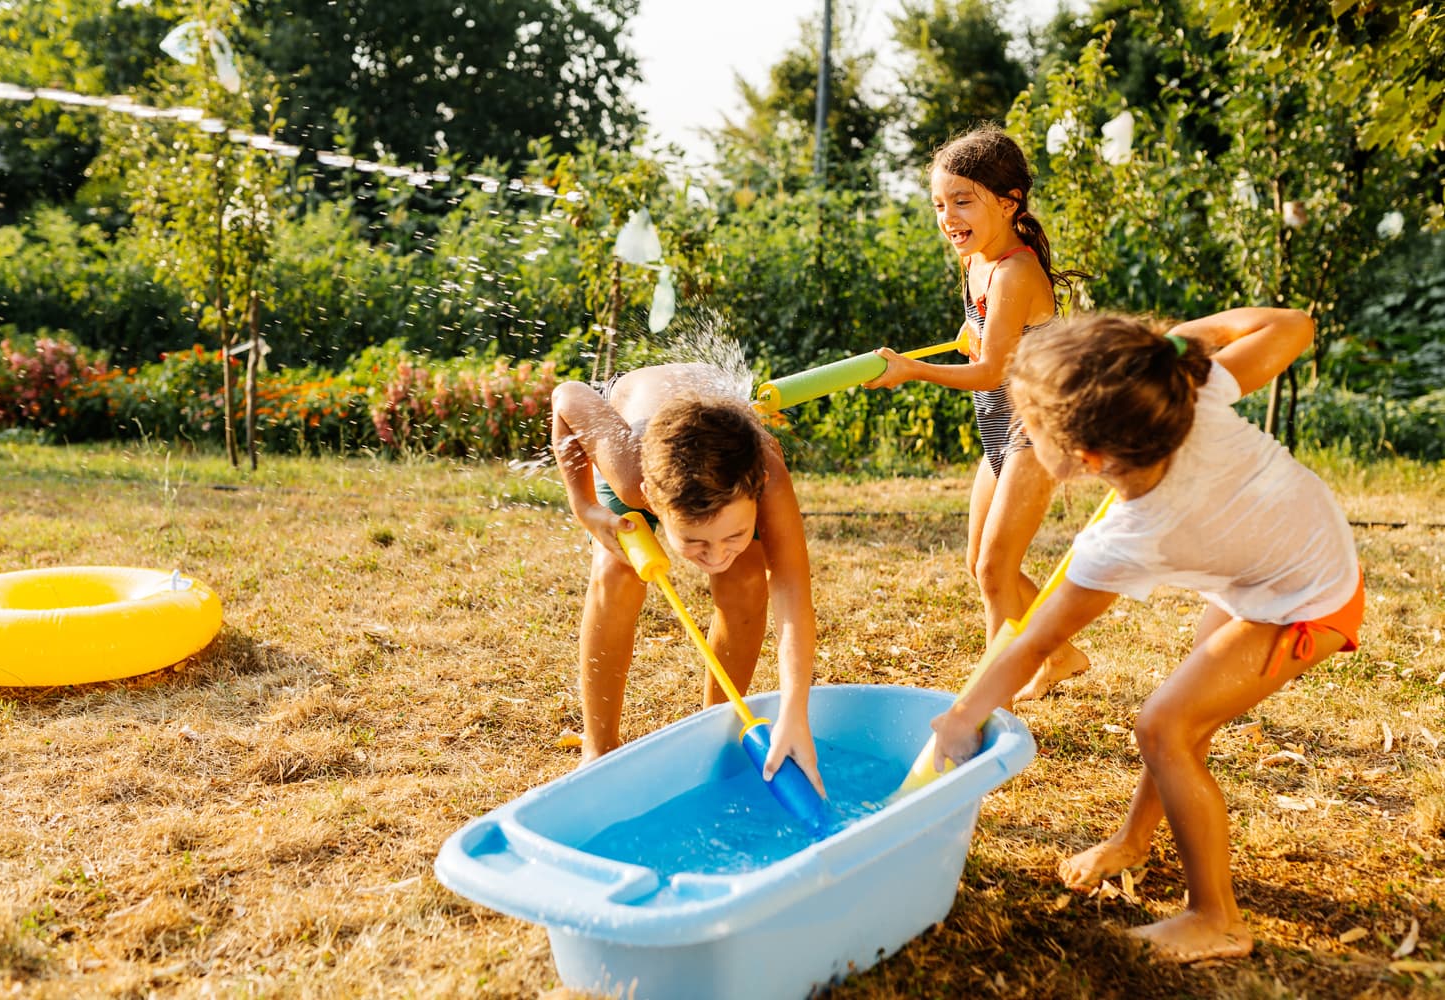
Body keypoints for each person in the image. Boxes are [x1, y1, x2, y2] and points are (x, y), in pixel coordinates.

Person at [926, 307, 1364, 962]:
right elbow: (1294, 325)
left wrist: (961, 718)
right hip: (1271, 564)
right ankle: (1133, 841)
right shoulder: (1190, 391)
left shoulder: (1126, 539)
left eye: (1029, 426)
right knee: (1186, 718)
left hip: (1306, 600)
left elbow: (1035, 642)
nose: (1021, 432)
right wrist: (1170, 348)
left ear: (1089, 458)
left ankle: (1216, 918)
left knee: (1165, 728)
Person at [864, 125, 1089, 703]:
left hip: (1036, 430)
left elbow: (992, 371)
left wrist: (912, 370)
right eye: (940, 203)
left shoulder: (1014, 270)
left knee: (995, 568)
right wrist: (974, 329)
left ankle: (992, 703)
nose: (948, 216)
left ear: (1009, 201)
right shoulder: (978, 264)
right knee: (981, 565)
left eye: (963, 201)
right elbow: (990, 337)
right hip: (998, 428)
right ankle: (1058, 651)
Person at [550, 363, 825, 796]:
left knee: (746, 580)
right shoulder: (630, 474)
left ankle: (713, 732)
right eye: (694, 541)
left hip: (717, 432)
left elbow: (792, 599)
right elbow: (567, 396)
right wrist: (584, 507)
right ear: (654, 502)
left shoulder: (767, 476)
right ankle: (599, 748)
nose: (715, 557)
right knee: (617, 570)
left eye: (732, 535)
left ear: (757, 490)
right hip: (636, 422)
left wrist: (794, 710)